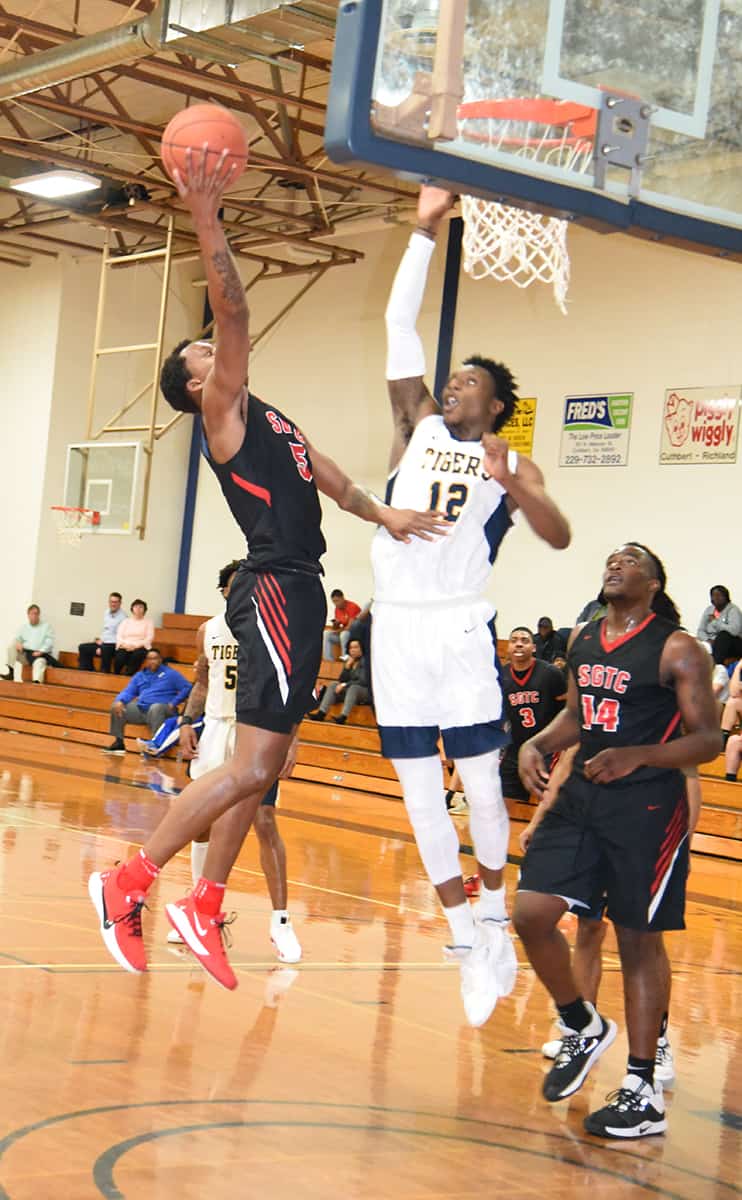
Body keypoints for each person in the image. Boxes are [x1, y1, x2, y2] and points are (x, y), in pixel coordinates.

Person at [88, 146, 446, 991]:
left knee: (265, 769)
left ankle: (204, 903)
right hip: (277, 582)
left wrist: (384, 513)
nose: (212, 349)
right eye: (199, 352)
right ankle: (129, 881)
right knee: (248, 768)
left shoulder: (269, 420)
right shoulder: (221, 408)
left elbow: (326, 472)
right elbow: (237, 318)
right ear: (195, 382)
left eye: (210, 350)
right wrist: (207, 215)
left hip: (302, 582)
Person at [371, 183, 571, 1027]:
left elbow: (560, 537)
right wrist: (424, 230)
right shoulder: (414, 425)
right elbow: (398, 331)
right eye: (451, 378)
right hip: (394, 627)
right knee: (421, 796)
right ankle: (464, 936)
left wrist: (514, 488)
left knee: (483, 787)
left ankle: (494, 911)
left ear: (494, 405)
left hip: (458, 623)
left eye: (470, 381)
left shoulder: (508, 457)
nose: (452, 384)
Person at [514, 543, 720, 1139]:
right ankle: (581, 1022)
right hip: (582, 798)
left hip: (648, 805)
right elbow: (579, 716)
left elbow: (707, 739)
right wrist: (538, 744)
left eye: (630, 560)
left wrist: (641, 755)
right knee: (531, 912)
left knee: (637, 940)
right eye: (611, 558)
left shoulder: (678, 647)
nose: (615, 565)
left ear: (654, 582)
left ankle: (641, 1087)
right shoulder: (582, 637)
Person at [519, 745, 703, 1087]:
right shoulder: (594, 707)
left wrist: (682, 845)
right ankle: (582, 1030)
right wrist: (539, 820)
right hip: (592, 831)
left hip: (646, 831)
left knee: (646, 942)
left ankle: (658, 1042)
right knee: (588, 929)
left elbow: (689, 779)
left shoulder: (664, 712)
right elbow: (569, 760)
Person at [174, 559, 302, 963]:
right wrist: (186, 722)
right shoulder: (207, 631)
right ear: (227, 591)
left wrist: (293, 740)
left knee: (264, 821)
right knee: (200, 822)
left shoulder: (274, 629)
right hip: (215, 727)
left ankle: (281, 922)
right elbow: (203, 680)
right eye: (236, 586)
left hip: (259, 732)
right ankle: (200, 911)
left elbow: (294, 690)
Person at [464, 626, 565, 898]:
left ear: (534, 648)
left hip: (548, 750)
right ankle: (484, 876)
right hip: (515, 750)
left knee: (547, 815)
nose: (519, 643)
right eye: (515, 639)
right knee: (494, 816)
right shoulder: (501, 677)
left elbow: (569, 710)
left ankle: (541, 880)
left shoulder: (551, 675)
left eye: (526, 640)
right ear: (507, 648)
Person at [104, 649, 191, 755]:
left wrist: (174, 702)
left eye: (155, 658)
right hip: (143, 710)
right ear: (146, 661)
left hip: (165, 710)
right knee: (116, 706)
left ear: (160, 660)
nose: (153, 661)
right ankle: (119, 743)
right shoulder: (139, 676)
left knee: (156, 708)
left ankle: (155, 745)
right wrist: (120, 701)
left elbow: (187, 687)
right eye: (150, 659)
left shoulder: (171, 674)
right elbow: (129, 691)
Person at [308, 637, 370, 723]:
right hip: (350, 692)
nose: (353, 650)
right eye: (351, 648)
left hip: (364, 692)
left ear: (361, 648)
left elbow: (363, 681)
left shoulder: (366, 661)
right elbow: (341, 680)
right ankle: (321, 713)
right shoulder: (349, 661)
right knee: (334, 684)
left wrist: (345, 685)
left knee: (354, 688)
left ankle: (343, 716)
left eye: (356, 647)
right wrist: (347, 668)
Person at [5, 604, 56, 683]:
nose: (34, 616)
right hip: (25, 655)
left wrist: (41, 651)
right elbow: (17, 638)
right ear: (28, 615)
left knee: (39, 663)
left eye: (36, 614)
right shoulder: (24, 627)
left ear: (39, 615)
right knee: (11, 646)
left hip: (39, 655)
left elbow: (49, 642)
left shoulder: (46, 626)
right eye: (32, 613)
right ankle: (11, 672)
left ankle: (36, 684)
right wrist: (18, 643)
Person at [78, 592, 126, 673]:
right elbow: (107, 630)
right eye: (111, 601)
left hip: (113, 645)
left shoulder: (123, 617)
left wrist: (101, 645)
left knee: (105, 649)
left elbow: (119, 637)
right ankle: (88, 672)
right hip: (104, 643)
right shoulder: (106, 612)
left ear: (120, 603)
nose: (113, 604)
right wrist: (100, 640)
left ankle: (104, 673)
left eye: (115, 602)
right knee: (83, 647)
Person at [697, 585, 742, 664]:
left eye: (719, 595)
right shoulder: (709, 610)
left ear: (726, 597)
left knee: (723, 635)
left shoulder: (733, 610)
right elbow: (700, 630)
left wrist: (715, 622)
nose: (716, 598)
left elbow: (735, 630)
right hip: (712, 642)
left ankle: (717, 665)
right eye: (713, 595)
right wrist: (708, 640)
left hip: (732, 644)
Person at [113, 599, 155, 675]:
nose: (138, 609)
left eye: (141, 607)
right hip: (125, 645)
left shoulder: (149, 622)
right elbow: (119, 636)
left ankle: (128, 675)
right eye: (136, 607)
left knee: (137, 655)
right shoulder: (126, 621)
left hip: (140, 647)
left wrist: (135, 646)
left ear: (144, 610)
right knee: (120, 656)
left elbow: (149, 638)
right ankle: (116, 675)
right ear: (132, 609)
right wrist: (125, 645)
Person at [322, 589, 361, 660]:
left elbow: (350, 627)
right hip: (343, 635)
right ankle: (329, 660)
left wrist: (338, 631)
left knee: (344, 634)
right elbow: (336, 629)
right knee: (326, 633)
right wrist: (335, 624)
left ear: (343, 598)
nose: (336, 604)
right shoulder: (337, 609)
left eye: (337, 601)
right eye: (334, 602)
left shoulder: (352, 606)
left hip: (354, 636)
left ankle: (345, 659)